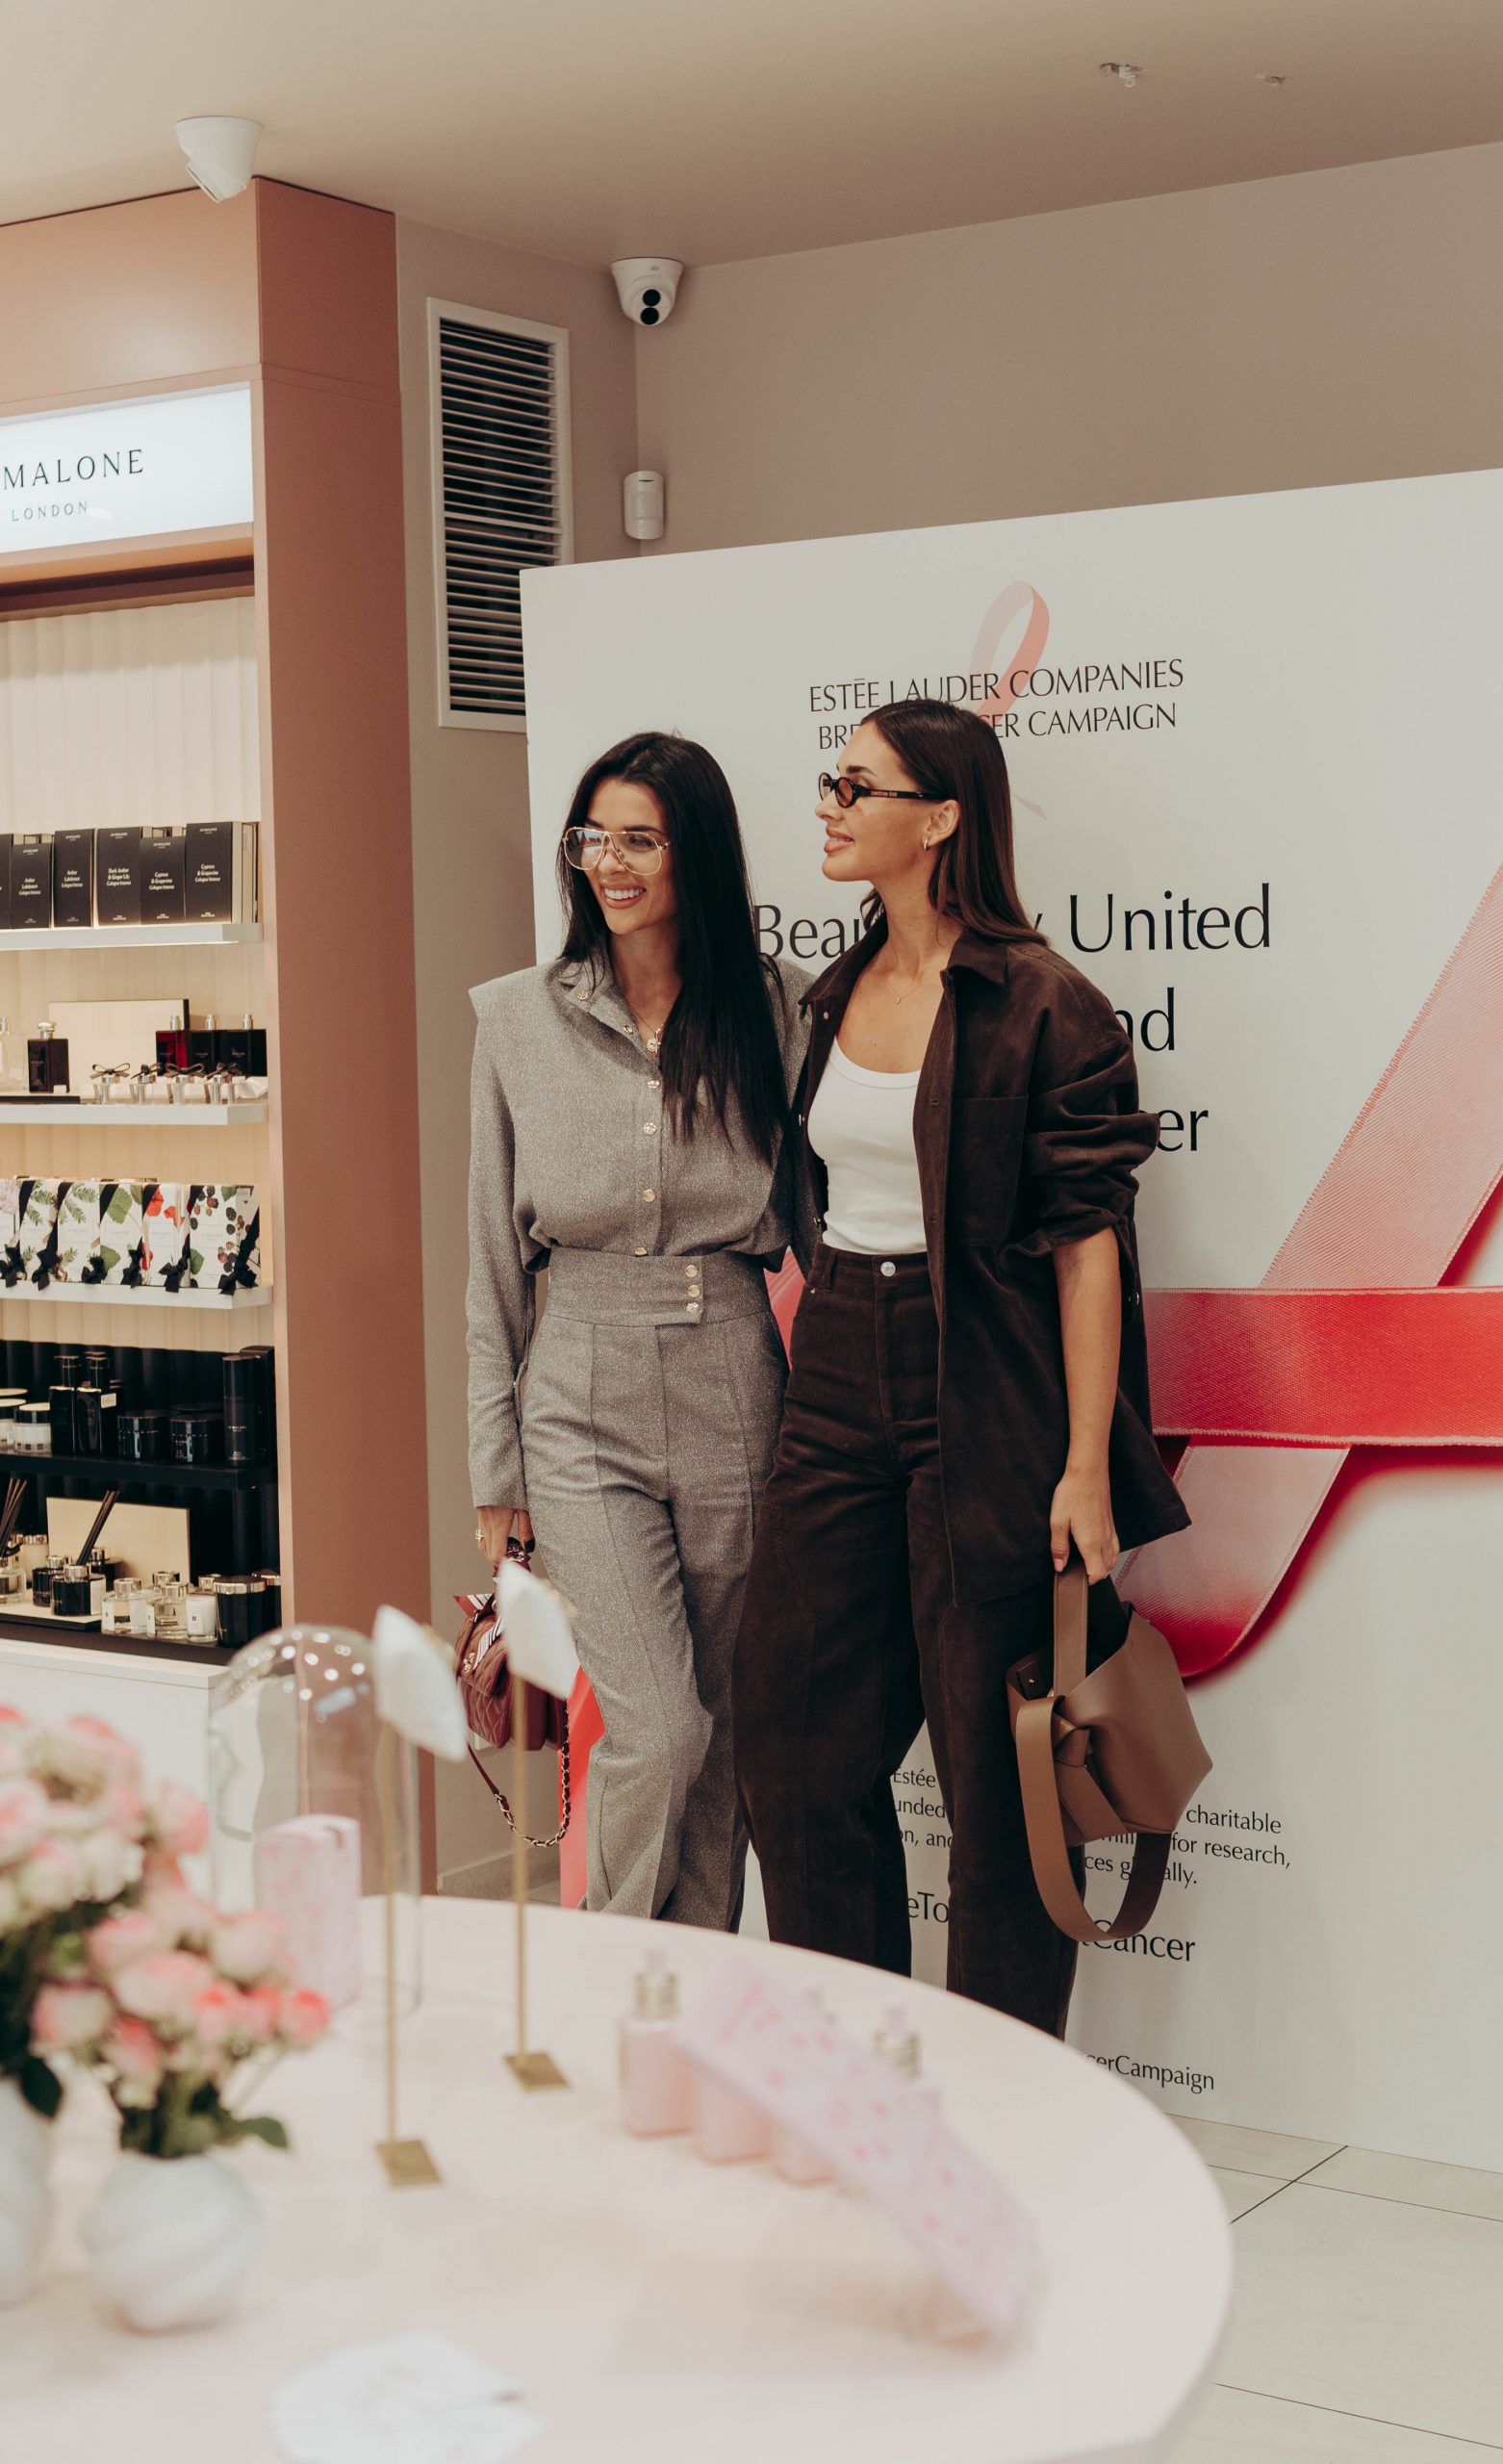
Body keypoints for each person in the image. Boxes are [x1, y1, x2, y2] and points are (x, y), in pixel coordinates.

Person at [733, 698, 1187, 2034]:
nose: (828, 806)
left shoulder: (1045, 1003)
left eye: (855, 786)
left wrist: (1084, 1465)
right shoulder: (832, 991)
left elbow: (1088, 1247)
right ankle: (854, 2061)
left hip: (985, 1389)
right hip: (833, 1365)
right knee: (793, 1744)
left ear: (938, 817)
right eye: (830, 782)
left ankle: (1001, 2097)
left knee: (1000, 1782)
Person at [467, 732, 809, 1926]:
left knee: (721, 1732)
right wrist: (495, 1467)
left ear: (694, 854)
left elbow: (816, 1215)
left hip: (735, 1376)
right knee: (658, 1726)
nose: (607, 863)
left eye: (639, 840)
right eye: (591, 837)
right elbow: (490, 1262)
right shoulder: (516, 1019)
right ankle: (599, 1975)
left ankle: (688, 1994)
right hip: (577, 1395)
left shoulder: (776, 1008)